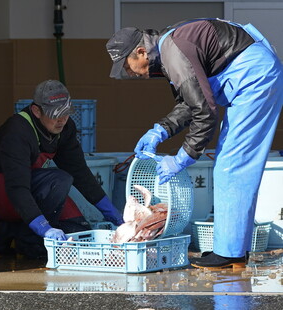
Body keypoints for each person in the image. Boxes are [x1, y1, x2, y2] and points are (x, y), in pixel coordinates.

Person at [106, 18, 283, 268]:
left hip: (255, 78)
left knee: (231, 166)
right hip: (250, 76)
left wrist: (182, 158)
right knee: (229, 165)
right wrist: (161, 130)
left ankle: (230, 253)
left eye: (127, 65)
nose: (130, 73)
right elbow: (191, 101)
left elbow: (205, 112)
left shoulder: (172, 52)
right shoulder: (168, 50)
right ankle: (233, 250)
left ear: (141, 51)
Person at [0, 80, 123, 258]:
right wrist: (43, 228)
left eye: (66, 113)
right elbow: (17, 187)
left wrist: (110, 211)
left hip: (31, 186)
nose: (62, 120)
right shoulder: (17, 132)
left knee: (78, 232)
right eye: (56, 115)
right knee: (59, 180)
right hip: (0, 190)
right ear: (36, 111)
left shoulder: (65, 128)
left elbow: (80, 172)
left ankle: (15, 228)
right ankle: (19, 233)